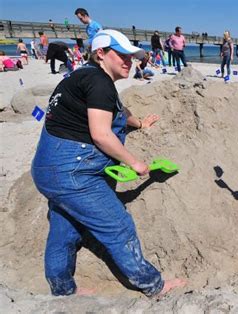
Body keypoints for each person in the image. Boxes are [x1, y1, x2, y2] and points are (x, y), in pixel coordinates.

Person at [31, 29, 186, 298]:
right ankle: (154, 285)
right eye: (122, 55)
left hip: (46, 170)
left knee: (64, 228)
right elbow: (101, 135)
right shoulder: (99, 82)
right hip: (73, 172)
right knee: (118, 226)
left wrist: (140, 123)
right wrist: (135, 163)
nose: (129, 61)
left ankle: (63, 289)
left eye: (131, 56)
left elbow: (115, 110)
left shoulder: (81, 76)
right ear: (101, 53)